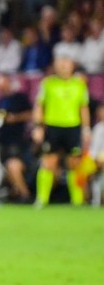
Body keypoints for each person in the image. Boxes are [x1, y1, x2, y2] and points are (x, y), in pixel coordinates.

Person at [31, 55, 91, 206]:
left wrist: (86, 128)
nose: (64, 66)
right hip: (53, 127)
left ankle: (77, 201)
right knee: (49, 162)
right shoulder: (48, 84)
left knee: (74, 164)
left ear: (72, 66)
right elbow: (39, 106)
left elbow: (83, 108)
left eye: (67, 63)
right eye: (60, 64)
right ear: (55, 66)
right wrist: (38, 127)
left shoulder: (79, 85)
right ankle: (42, 199)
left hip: (72, 127)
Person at [0, 75, 34, 203]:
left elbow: (31, 114)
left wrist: (15, 118)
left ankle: (26, 196)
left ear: (9, 83)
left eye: (2, 84)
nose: (0, 88)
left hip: (18, 143)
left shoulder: (20, 98)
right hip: (3, 144)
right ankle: (18, 194)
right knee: (9, 169)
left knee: (13, 166)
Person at [89, 103, 104, 206]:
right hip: (98, 159)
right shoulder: (97, 128)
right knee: (93, 174)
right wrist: (95, 161)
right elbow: (93, 149)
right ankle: (95, 201)